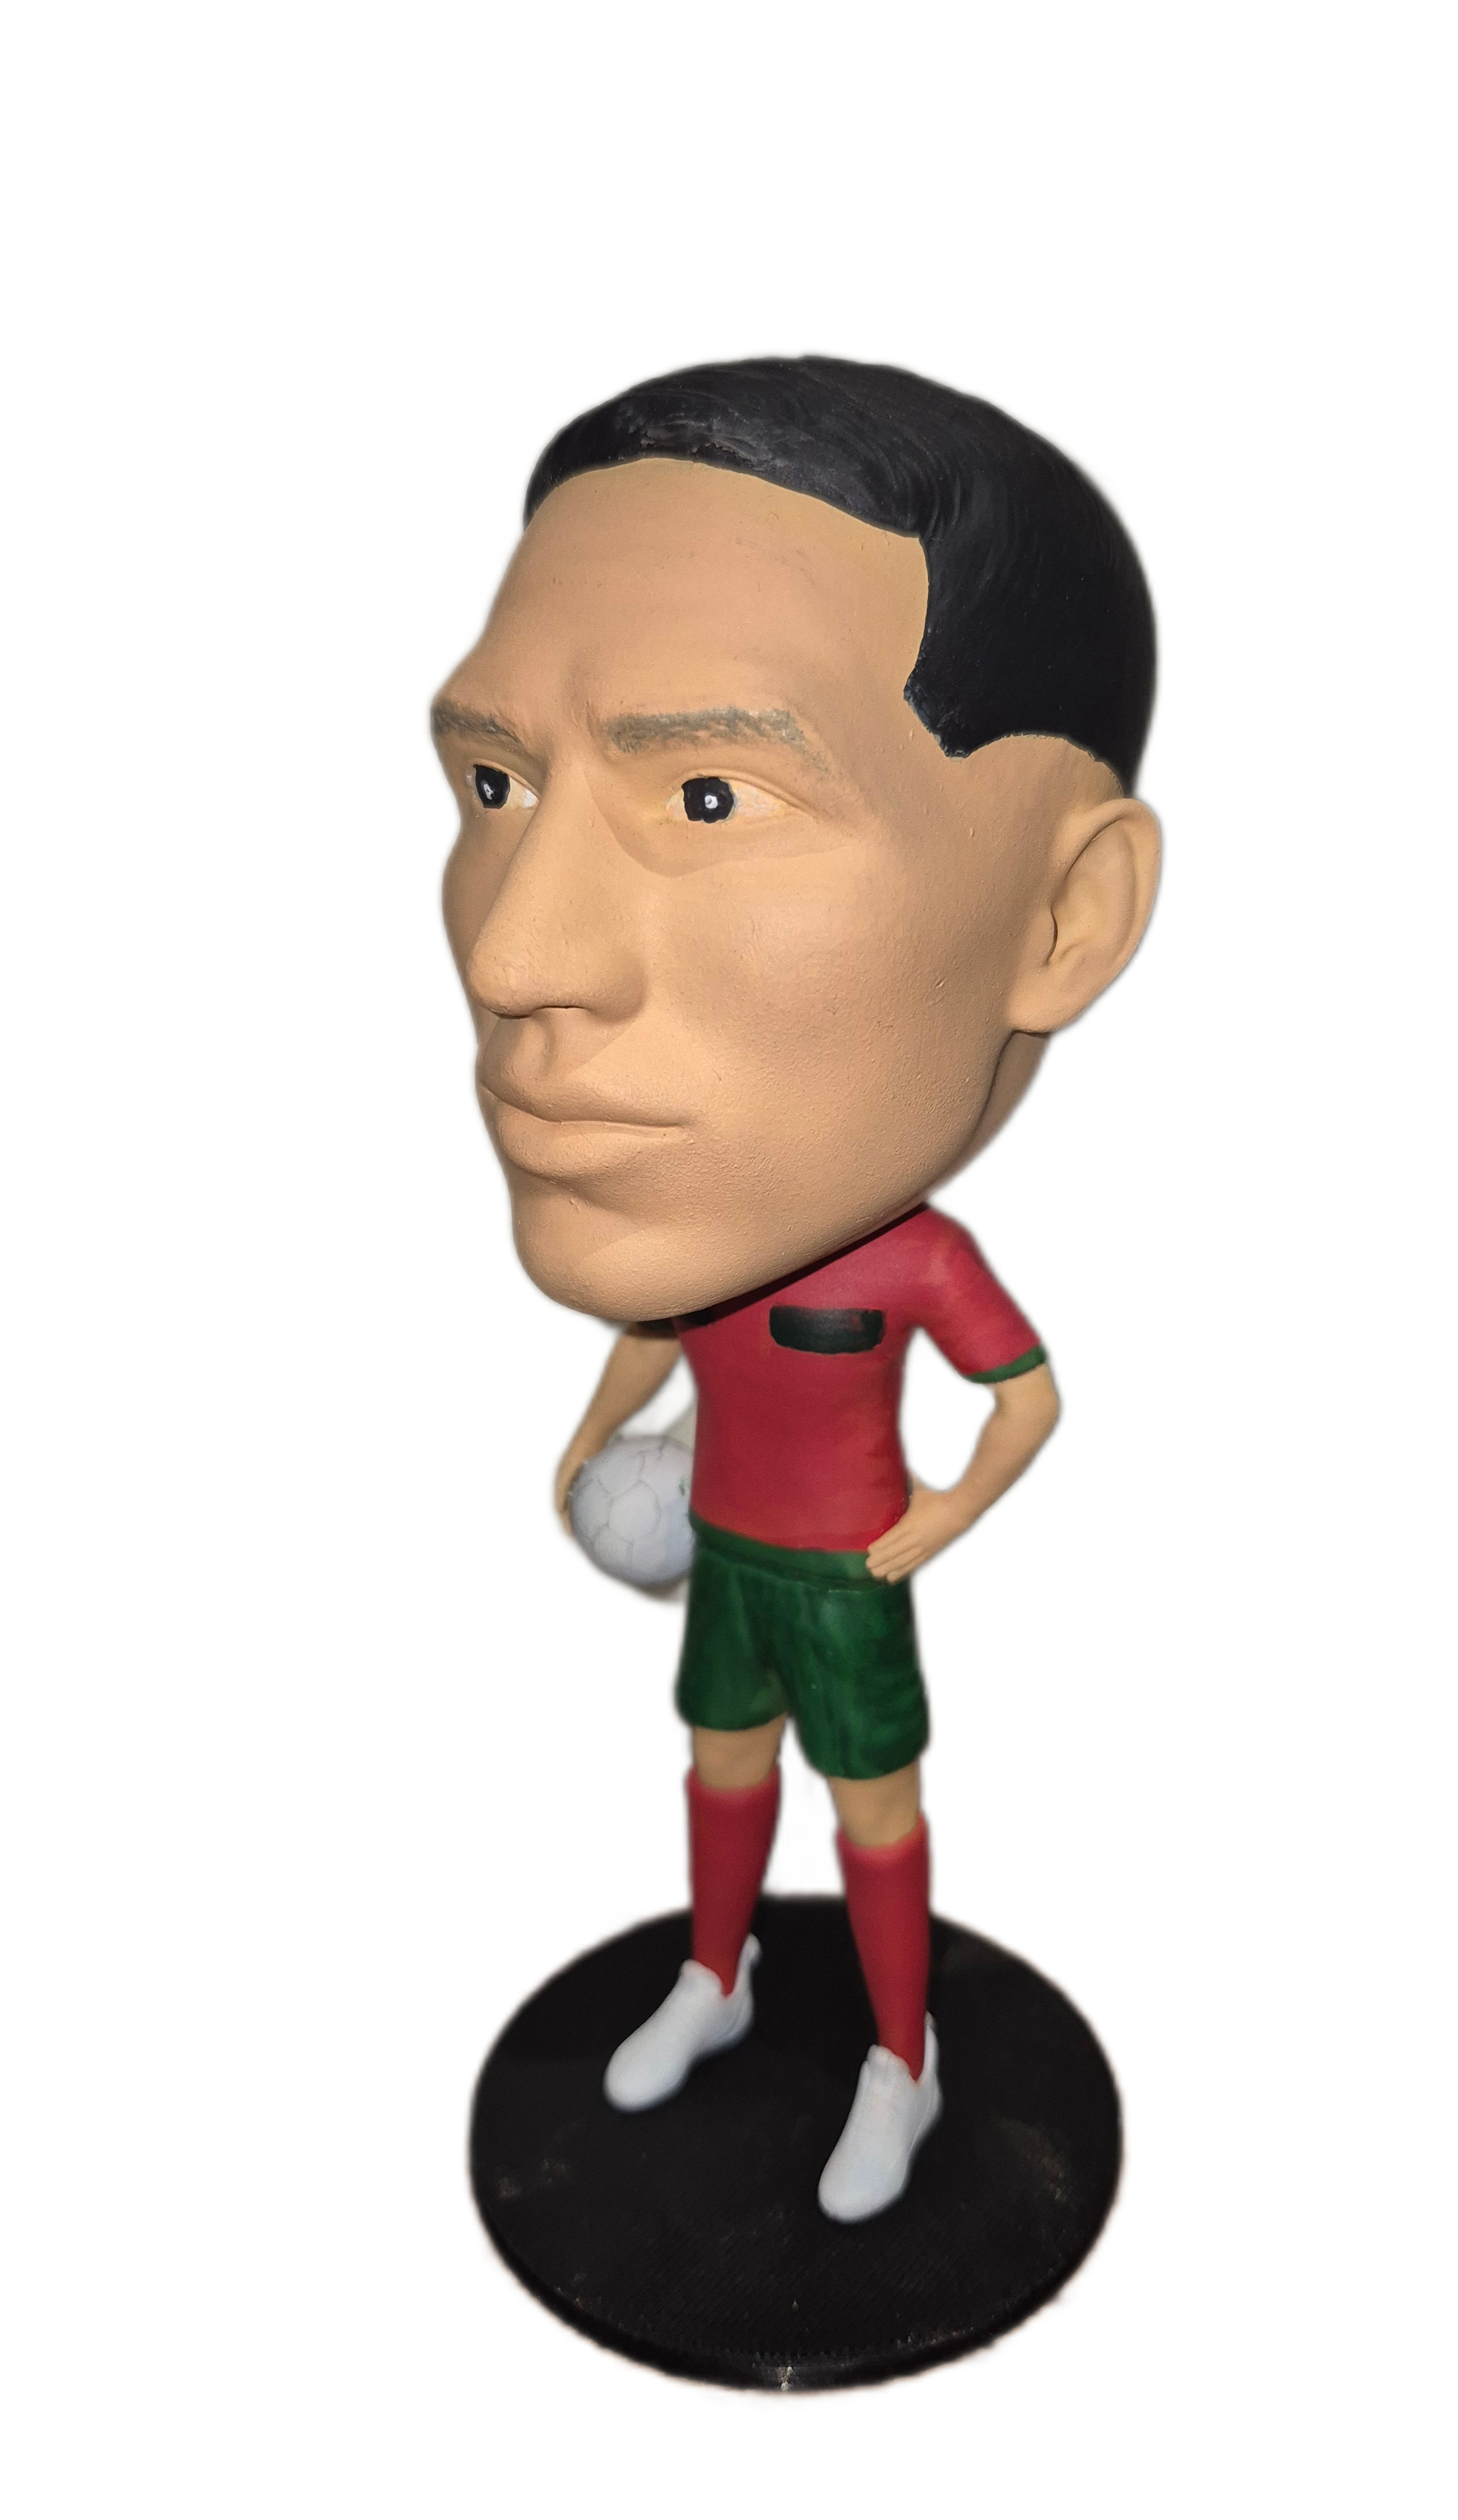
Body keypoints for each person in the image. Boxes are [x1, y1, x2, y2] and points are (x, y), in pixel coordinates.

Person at [432, 358, 1160, 2220]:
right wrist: (589, 1439)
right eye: (495, 782)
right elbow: (649, 1348)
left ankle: (904, 2063)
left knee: (873, 1807)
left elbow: (1025, 1395)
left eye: (707, 795)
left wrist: (935, 1526)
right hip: (735, 1557)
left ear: (1063, 918)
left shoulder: (913, 1261)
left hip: (842, 1571)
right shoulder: (711, 1256)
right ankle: (719, 1972)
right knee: (718, 1771)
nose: (512, 952)